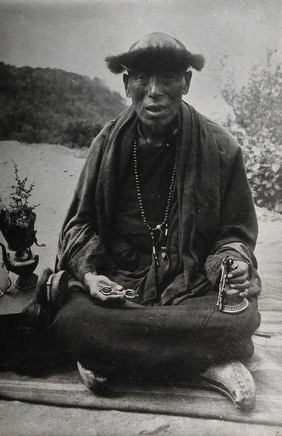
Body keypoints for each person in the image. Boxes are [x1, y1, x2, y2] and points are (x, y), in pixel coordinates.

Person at [45, 32, 261, 409]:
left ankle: (106, 355)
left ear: (187, 83)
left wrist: (232, 262)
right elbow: (79, 225)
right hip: (118, 283)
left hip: (191, 282)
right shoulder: (106, 143)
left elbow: (235, 231)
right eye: (143, 77)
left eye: (169, 78)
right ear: (127, 83)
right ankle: (204, 358)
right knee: (74, 315)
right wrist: (93, 276)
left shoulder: (221, 146)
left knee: (238, 318)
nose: (155, 91)